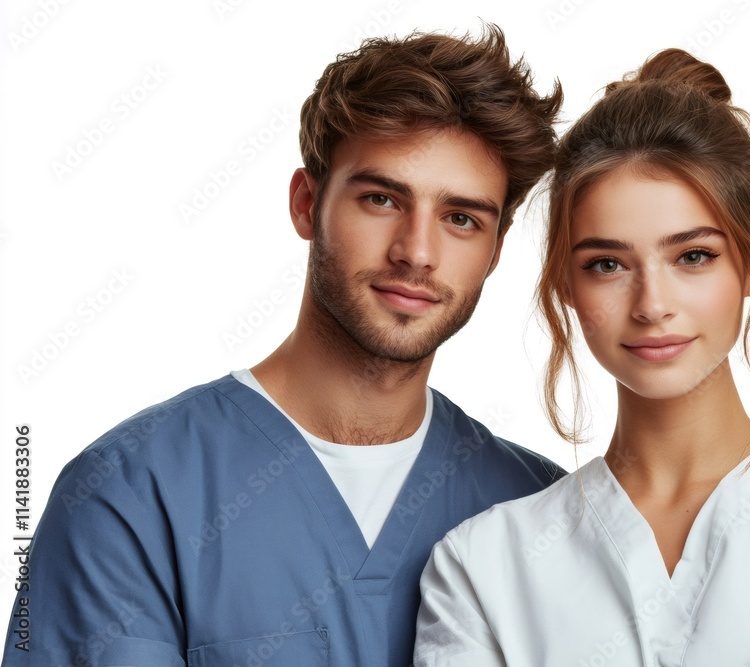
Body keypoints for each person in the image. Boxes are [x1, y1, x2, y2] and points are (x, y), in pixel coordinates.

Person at [3, 26, 564, 666]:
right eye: (381, 199)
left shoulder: (542, 512)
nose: (417, 252)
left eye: (461, 218)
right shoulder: (131, 495)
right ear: (306, 203)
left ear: (496, 248)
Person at [414, 49, 750, 666]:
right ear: (565, 283)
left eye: (693, 256)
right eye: (607, 264)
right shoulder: (482, 566)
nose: (653, 305)